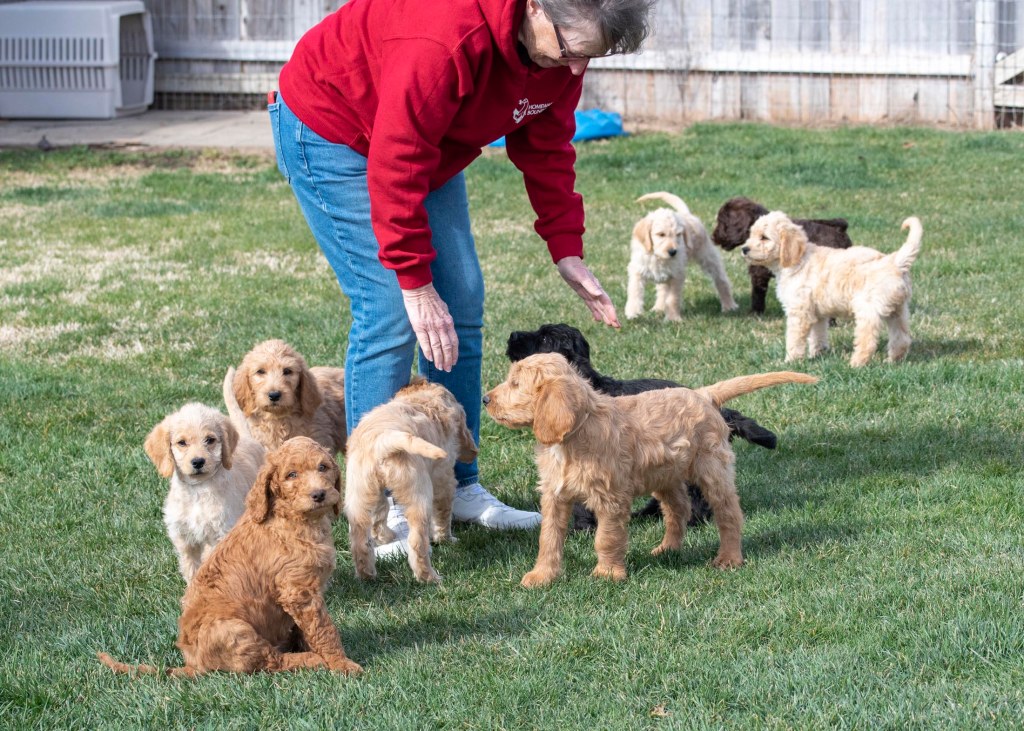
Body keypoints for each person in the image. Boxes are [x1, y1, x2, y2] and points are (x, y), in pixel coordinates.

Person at [270, 0, 654, 555]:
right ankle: (379, 512)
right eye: (572, 51)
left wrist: (565, 246)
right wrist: (414, 281)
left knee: (462, 300)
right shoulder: (444, 39)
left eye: (591, 58)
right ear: (535, 7)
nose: (576, 69)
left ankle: (458, 485)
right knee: (390, 309)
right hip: (333, 128)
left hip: (426, 141)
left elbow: (545, 142)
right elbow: (397, 158)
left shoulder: (560, 49)